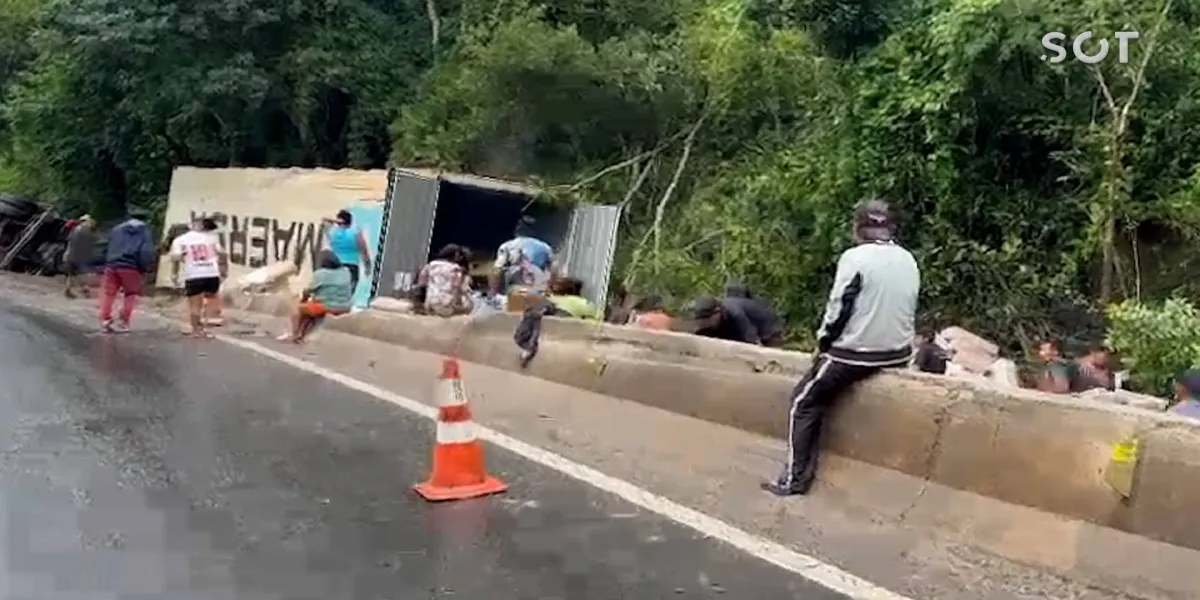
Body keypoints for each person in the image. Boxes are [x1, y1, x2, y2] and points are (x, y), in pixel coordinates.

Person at [762, 199, 919, 497]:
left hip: (856, 355)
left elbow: (839, 307)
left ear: (858, 228)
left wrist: (823, 344)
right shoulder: (908, 258)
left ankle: (794, 480)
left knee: (803, 401)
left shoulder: (854, 258)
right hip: (899, 353)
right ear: (890, 229)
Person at [99, 207, 155, 333]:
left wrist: (107, 261)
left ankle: (105, 319)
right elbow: (146, 251)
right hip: (131, 267)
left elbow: (107, 246)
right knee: (130, 294)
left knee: (109, 293)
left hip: (112, 265)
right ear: (145, 219)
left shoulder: (116, 229)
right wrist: (144, 267)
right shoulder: (145, 231)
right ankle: (123, 322)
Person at [169, 217, 227, 338]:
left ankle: (196, 331)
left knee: (195, 306)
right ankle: (205, 329)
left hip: (194, 274)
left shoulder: (180, 240)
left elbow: (175, 258)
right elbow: (223, 253)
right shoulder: (211, 238)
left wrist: (174, 274)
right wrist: (223, 270)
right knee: (209, 303)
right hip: (212, 273)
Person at [279, 250, 353, 343]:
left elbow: (308, 290)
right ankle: (301, 336)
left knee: (298, 309)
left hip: (327, 306)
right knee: (309, 311)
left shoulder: (321, 274)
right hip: (345, 306)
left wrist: (303, 299)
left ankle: (294, 334)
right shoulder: (346, 272)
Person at [491, 216, 555, 295]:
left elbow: (498, 270)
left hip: (513, 292)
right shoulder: (546, 248)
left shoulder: (507, 246)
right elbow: (553, 270)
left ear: (518, 228)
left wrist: (493, 291)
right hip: (536, 292)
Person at [323, 209, 372, 296]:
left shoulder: (333, 232)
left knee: (333, 295)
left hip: (334, 267)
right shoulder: (355, 233)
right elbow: (364, 250)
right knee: (346, 296)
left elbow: (325, 220)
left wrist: (337, 221)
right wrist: (368, 266)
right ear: (350, 222)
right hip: (351, 267)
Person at [722, 280, 785, 346]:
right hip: (761, 325)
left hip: (769, 329)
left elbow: (751, 335)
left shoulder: (735, 312)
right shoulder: (728, 306)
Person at [417, 244, 474, 317]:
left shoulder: (431, 264)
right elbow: (462, 289)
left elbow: (421, 283)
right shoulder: (457, 269)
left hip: (428, 304)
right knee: (469, 305)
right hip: (444, 307)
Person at [63, 215, 98, 299]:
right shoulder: (84, 231)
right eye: (89, 222)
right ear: (85, 222)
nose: (90, 223)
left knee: (72, 274)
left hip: (71, 255)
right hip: (77, 256)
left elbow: (69, 242)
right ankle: (84, 290)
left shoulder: (75, 230)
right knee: (80, 274)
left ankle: (70, 290)